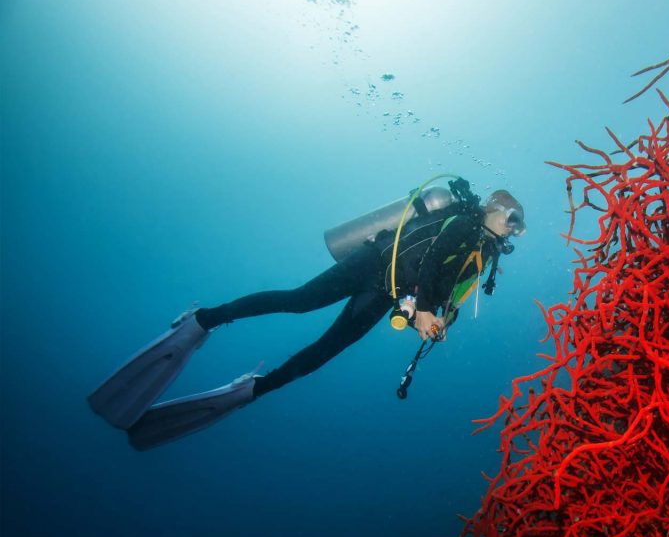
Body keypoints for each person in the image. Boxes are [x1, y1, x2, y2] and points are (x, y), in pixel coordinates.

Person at [88, 178, 526, 450]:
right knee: (298, 301)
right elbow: (428, 263)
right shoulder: (464, 223)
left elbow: (445, 287)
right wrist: (425, 308)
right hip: (373, 266)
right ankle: (202, 320)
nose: (515, 231)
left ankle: (252, 390)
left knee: (325, 352)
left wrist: (435, 319)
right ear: (494, 207)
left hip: (391, 293)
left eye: (519, 227)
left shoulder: (482, 251)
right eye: (514, 220)